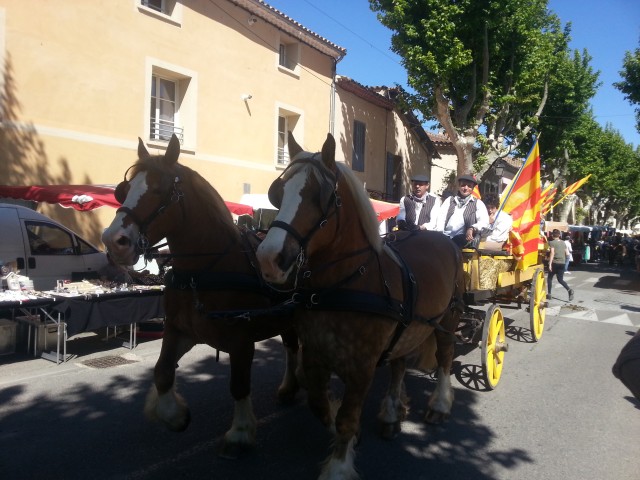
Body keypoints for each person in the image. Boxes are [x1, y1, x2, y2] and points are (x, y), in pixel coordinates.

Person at [435, 173, 489, 248]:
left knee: (458, 240)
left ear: (473, 189)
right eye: (463, 185)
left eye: (469, 186)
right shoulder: (449, 200)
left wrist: (472, 228)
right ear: (459, 186)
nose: (465, 188)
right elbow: (441, 218)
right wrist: (440, 234)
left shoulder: (478, 203)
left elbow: (484, 222)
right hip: (446, 237)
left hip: (464, 240)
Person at [548, 229, 574, 301]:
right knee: (560, 280)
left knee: (550, 278)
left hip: (555, 263)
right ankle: (569, 290)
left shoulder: (551, 242)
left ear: (552, 235)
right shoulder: (563, 243)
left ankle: (549, 294)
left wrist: (550, 263)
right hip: (562, 263)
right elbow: (567, 253)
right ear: (559, 235)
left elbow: (552, 253)